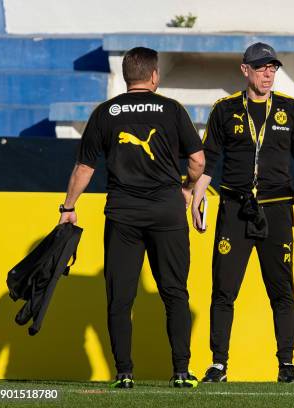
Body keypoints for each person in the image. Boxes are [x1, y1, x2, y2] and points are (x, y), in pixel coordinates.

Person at [58, 47, 205, 389]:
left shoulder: (105, 113)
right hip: (167, 211)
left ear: (127, 77)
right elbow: (197, 160)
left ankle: (124, 373)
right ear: (154, 76)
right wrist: (186, 188)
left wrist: (68, 207)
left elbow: (84, 167)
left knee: (120, 298)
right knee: (174, 292)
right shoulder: (172, 110)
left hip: (123, 214)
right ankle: (181, 372)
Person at [191, 42, 294, 383]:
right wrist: (196, 197)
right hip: (234, 208)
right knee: (223, 289)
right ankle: (218, 364)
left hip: (277, 209)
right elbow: (209, 160)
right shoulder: (224, 109)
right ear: (245, 69)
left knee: (281, 290)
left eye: (273, 67)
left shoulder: (291, 109)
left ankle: (287, 365)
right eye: (262, 67)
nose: (268, 73)